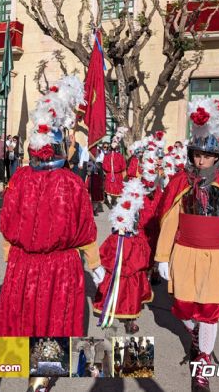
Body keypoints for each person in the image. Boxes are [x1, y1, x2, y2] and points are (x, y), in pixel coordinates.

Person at [155, 97, 219, 392]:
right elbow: (170, 219)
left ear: (217, 156)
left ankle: (202, 365)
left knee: (210, 309)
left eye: (207, 156)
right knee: (184, 308)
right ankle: (194, 336)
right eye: (197, 155)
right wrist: (162, 256)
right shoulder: (179, 180)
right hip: (185, 252)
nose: (201, 161)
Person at [0, 76, 104, 337]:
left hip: (28, 263)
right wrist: (95, 263)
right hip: (57, 265)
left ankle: (33, 366)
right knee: (51, 319)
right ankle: (43, 371)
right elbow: (85, 229)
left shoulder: (21, 177)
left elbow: (7, 222)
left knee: (27, 316)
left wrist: (9, 252)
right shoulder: (71, 182)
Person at [93, 132, 165, 335]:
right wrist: (122, 224)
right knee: (121, 275)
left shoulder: (159, 193)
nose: (150, 186)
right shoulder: (133, 192)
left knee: (136, 281)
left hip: (146, 240)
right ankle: (117, 310)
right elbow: (122, 215)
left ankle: (131, 314)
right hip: (130, 241)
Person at [102, 129, 127, 208]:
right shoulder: (120, 156)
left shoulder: (107, 156)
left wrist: (107, 172)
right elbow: (123, 167)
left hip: (109, 175)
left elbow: (104, 166)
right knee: (117, 190)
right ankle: (115, 203)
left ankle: (109, 202)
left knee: (109, 190)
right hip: (117, 175)